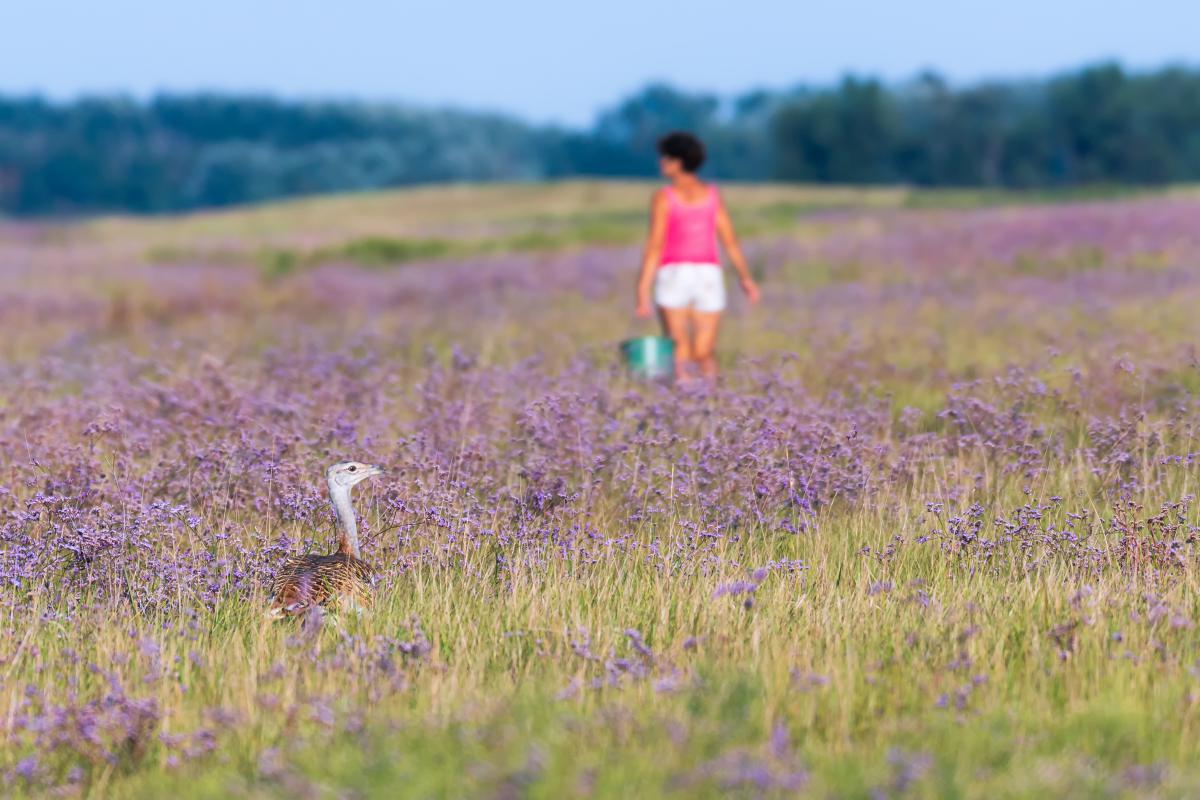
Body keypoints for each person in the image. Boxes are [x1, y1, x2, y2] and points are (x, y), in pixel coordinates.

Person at [635, 131, 761, 381]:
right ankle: (712, 405)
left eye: (666, 158)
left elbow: (655, 246)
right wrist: (745, 277)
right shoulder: (712, 195)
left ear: (678, 162)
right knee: (705, 352)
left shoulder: (664, 198)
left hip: (673, 274)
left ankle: (684, 405)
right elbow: (730, 241)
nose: (661, 163)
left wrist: (642, 290)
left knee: (679, 351)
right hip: (708, 275)